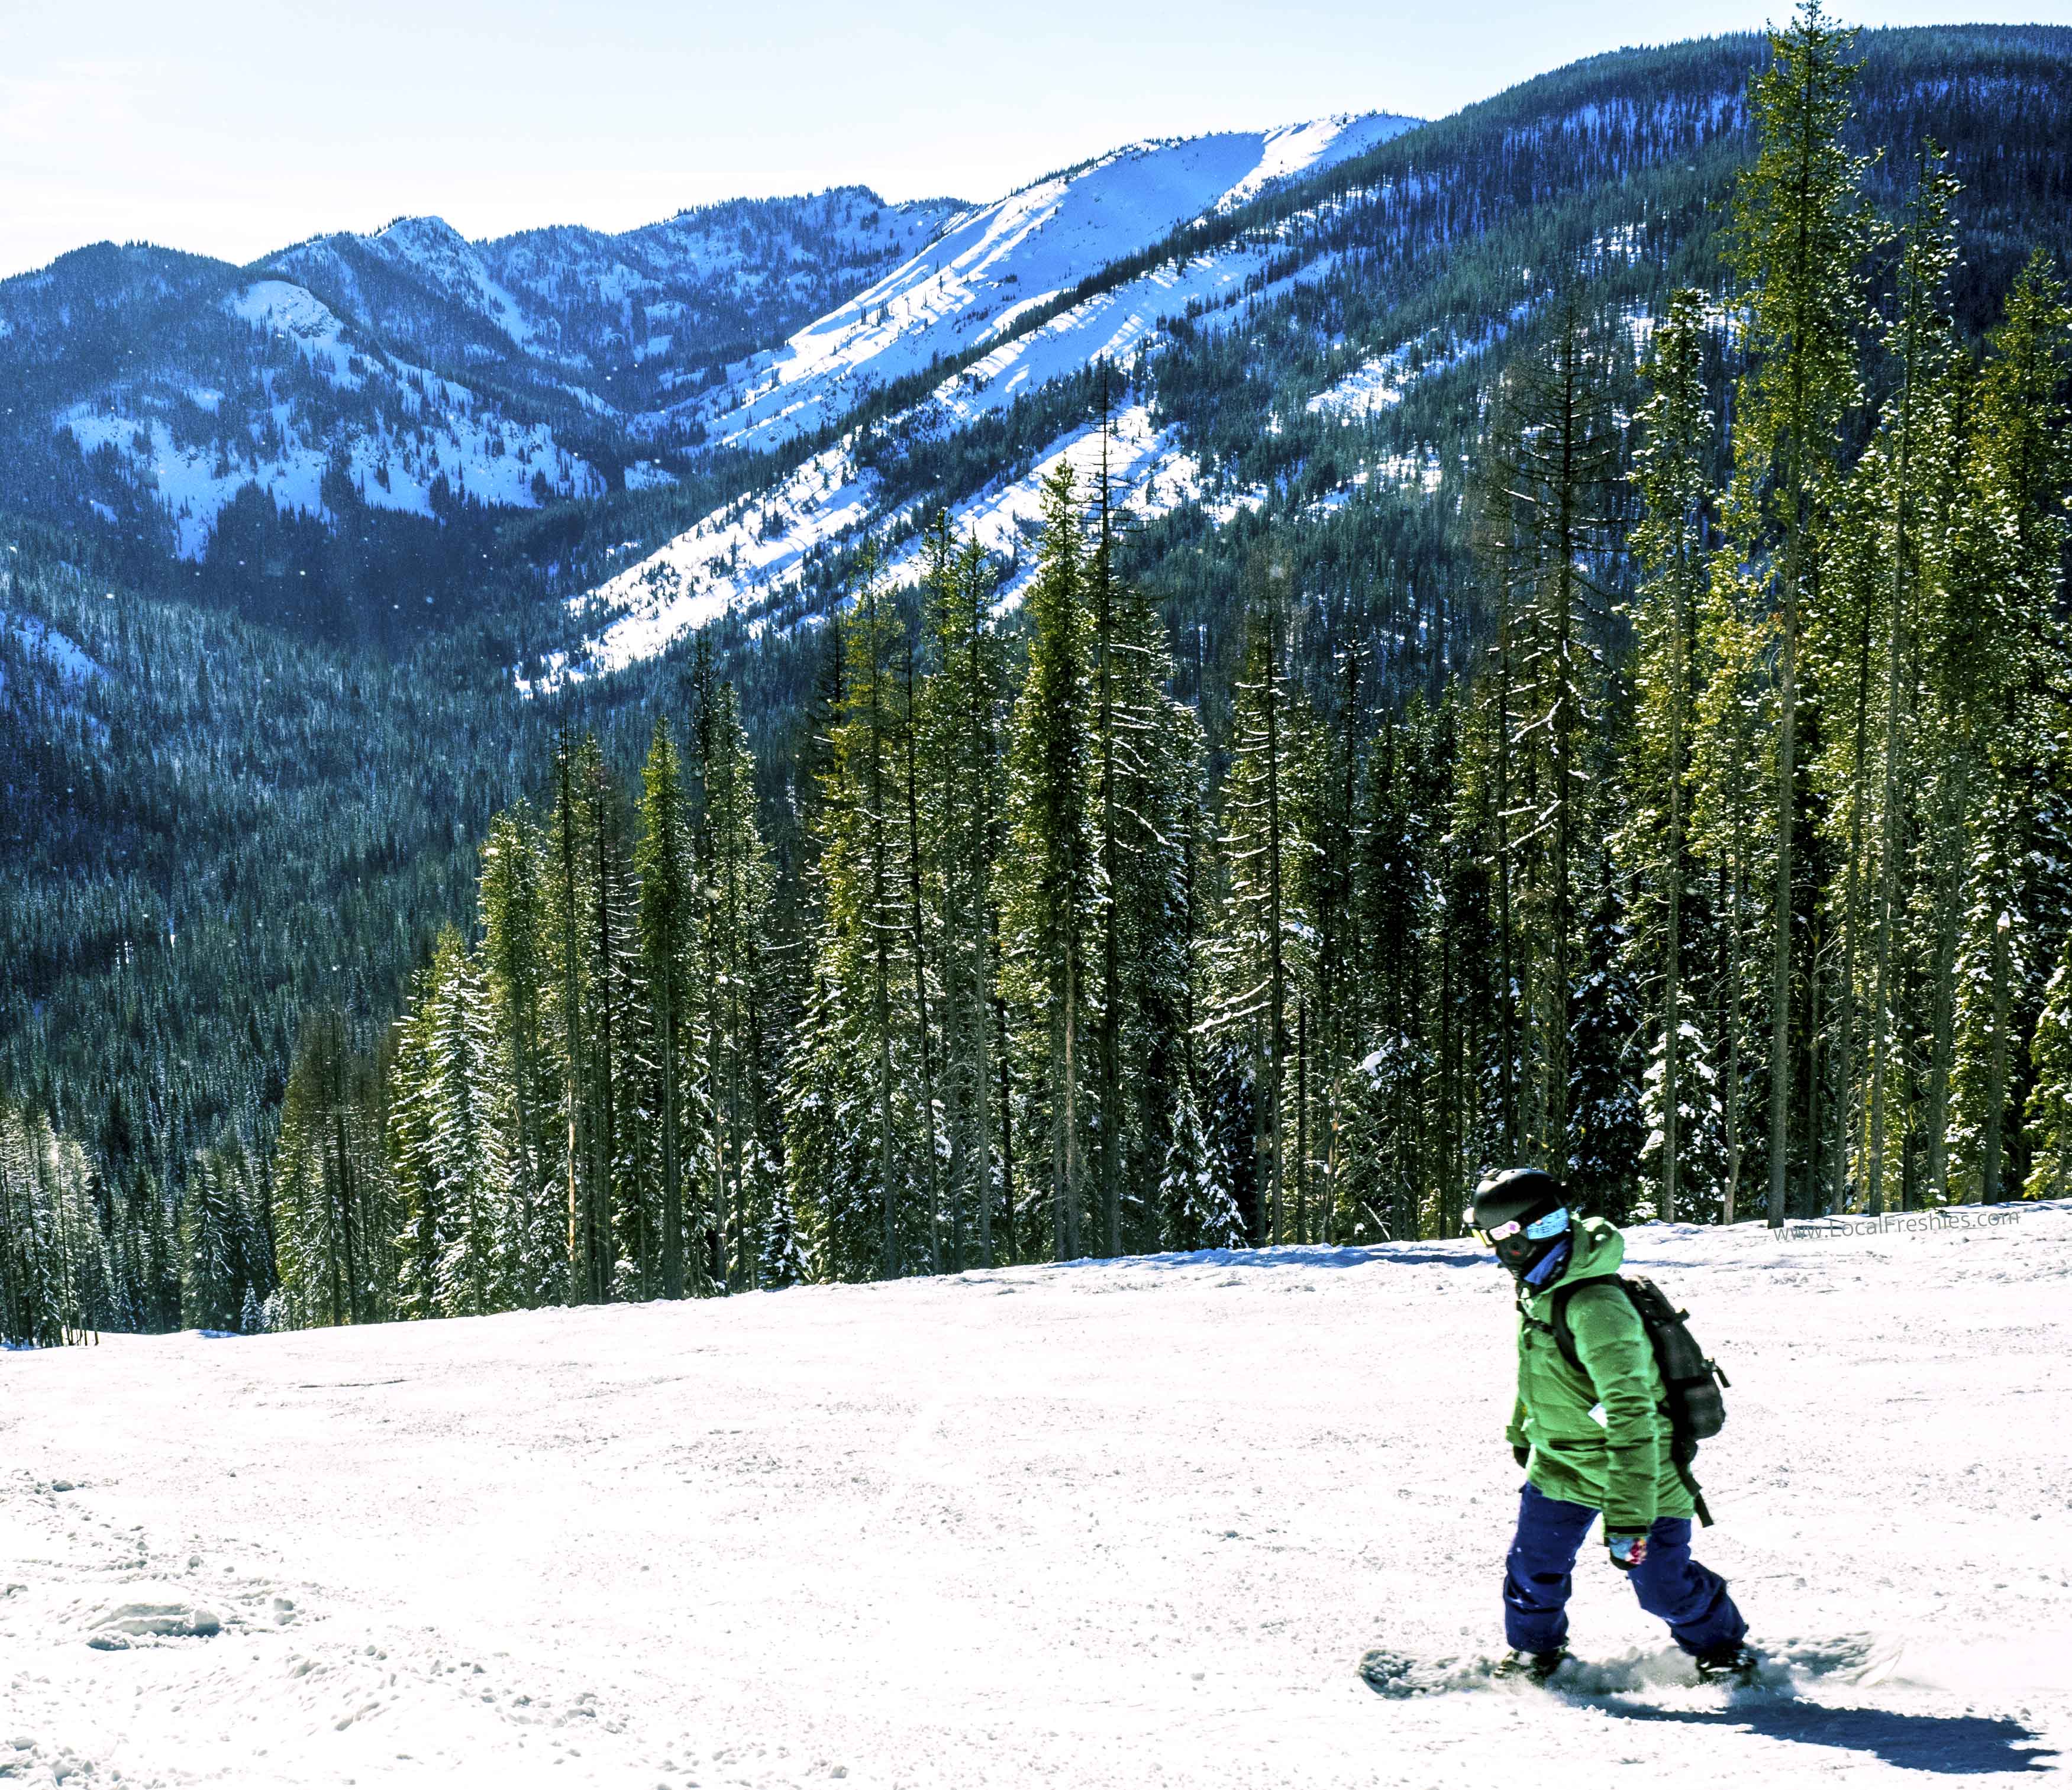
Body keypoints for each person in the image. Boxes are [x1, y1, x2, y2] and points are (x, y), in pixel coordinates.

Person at [1469, 1167, 1757, 1686]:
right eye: (1487, 1238)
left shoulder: (1597, 1306)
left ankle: (1723, 1650)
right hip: (1562, 1465)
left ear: (1532, 1231)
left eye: (1501, 1237)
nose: (1496, 1252)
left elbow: (1632, 1416)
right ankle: (1538, 1654)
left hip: (1642, 1470)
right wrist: (1522, 1432)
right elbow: (1539, 1372)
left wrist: (1627, 1517)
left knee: (1662, 1586)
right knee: (1534, 1572)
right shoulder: (1543, 1287)